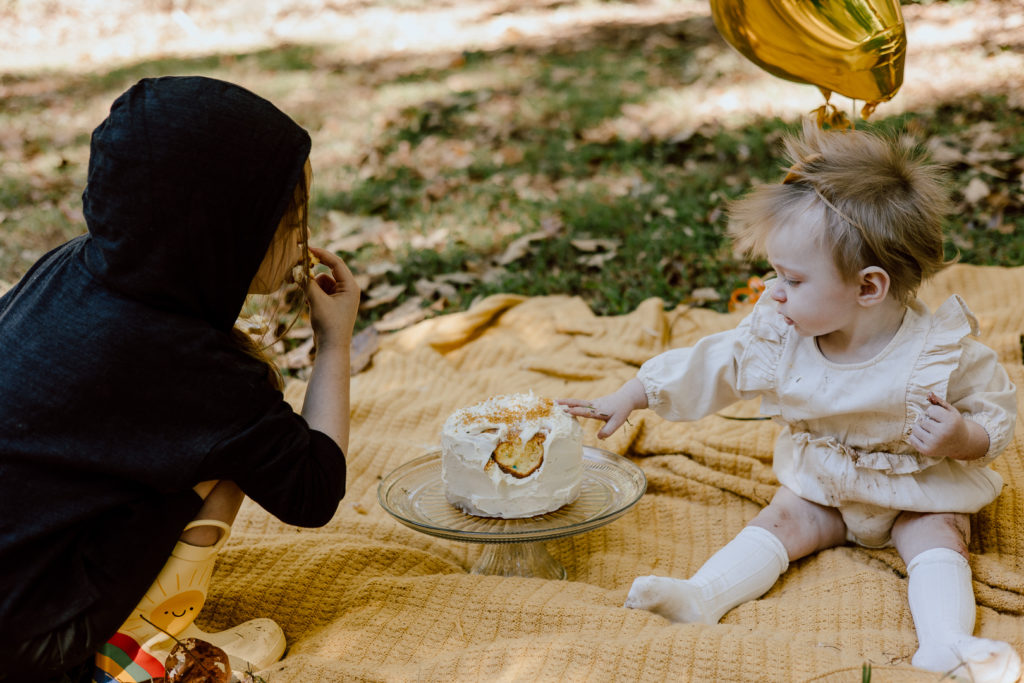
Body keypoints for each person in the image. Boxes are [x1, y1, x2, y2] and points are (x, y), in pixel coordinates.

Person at [562, 122, 1021, 683]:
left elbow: (994, 407)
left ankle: (946, 645)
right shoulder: (781, 334)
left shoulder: (937, 352)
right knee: (782, 518)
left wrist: (961, 438)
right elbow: (716, 362)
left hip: (915, 488)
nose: (772, 292)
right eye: (774, 274)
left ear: (868, 288)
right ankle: (704, 595)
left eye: (793, 278)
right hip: (822, 482)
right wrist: (631, 396)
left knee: (941, 532)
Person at [0, 76, 360, 682]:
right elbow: (314, 491)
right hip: (27, 642)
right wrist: (335, 345)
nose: (302, 235)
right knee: (218, 467)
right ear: (226, 230)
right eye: (286, 217)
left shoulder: (70, 264)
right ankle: (138, 654)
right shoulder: (202, 374)